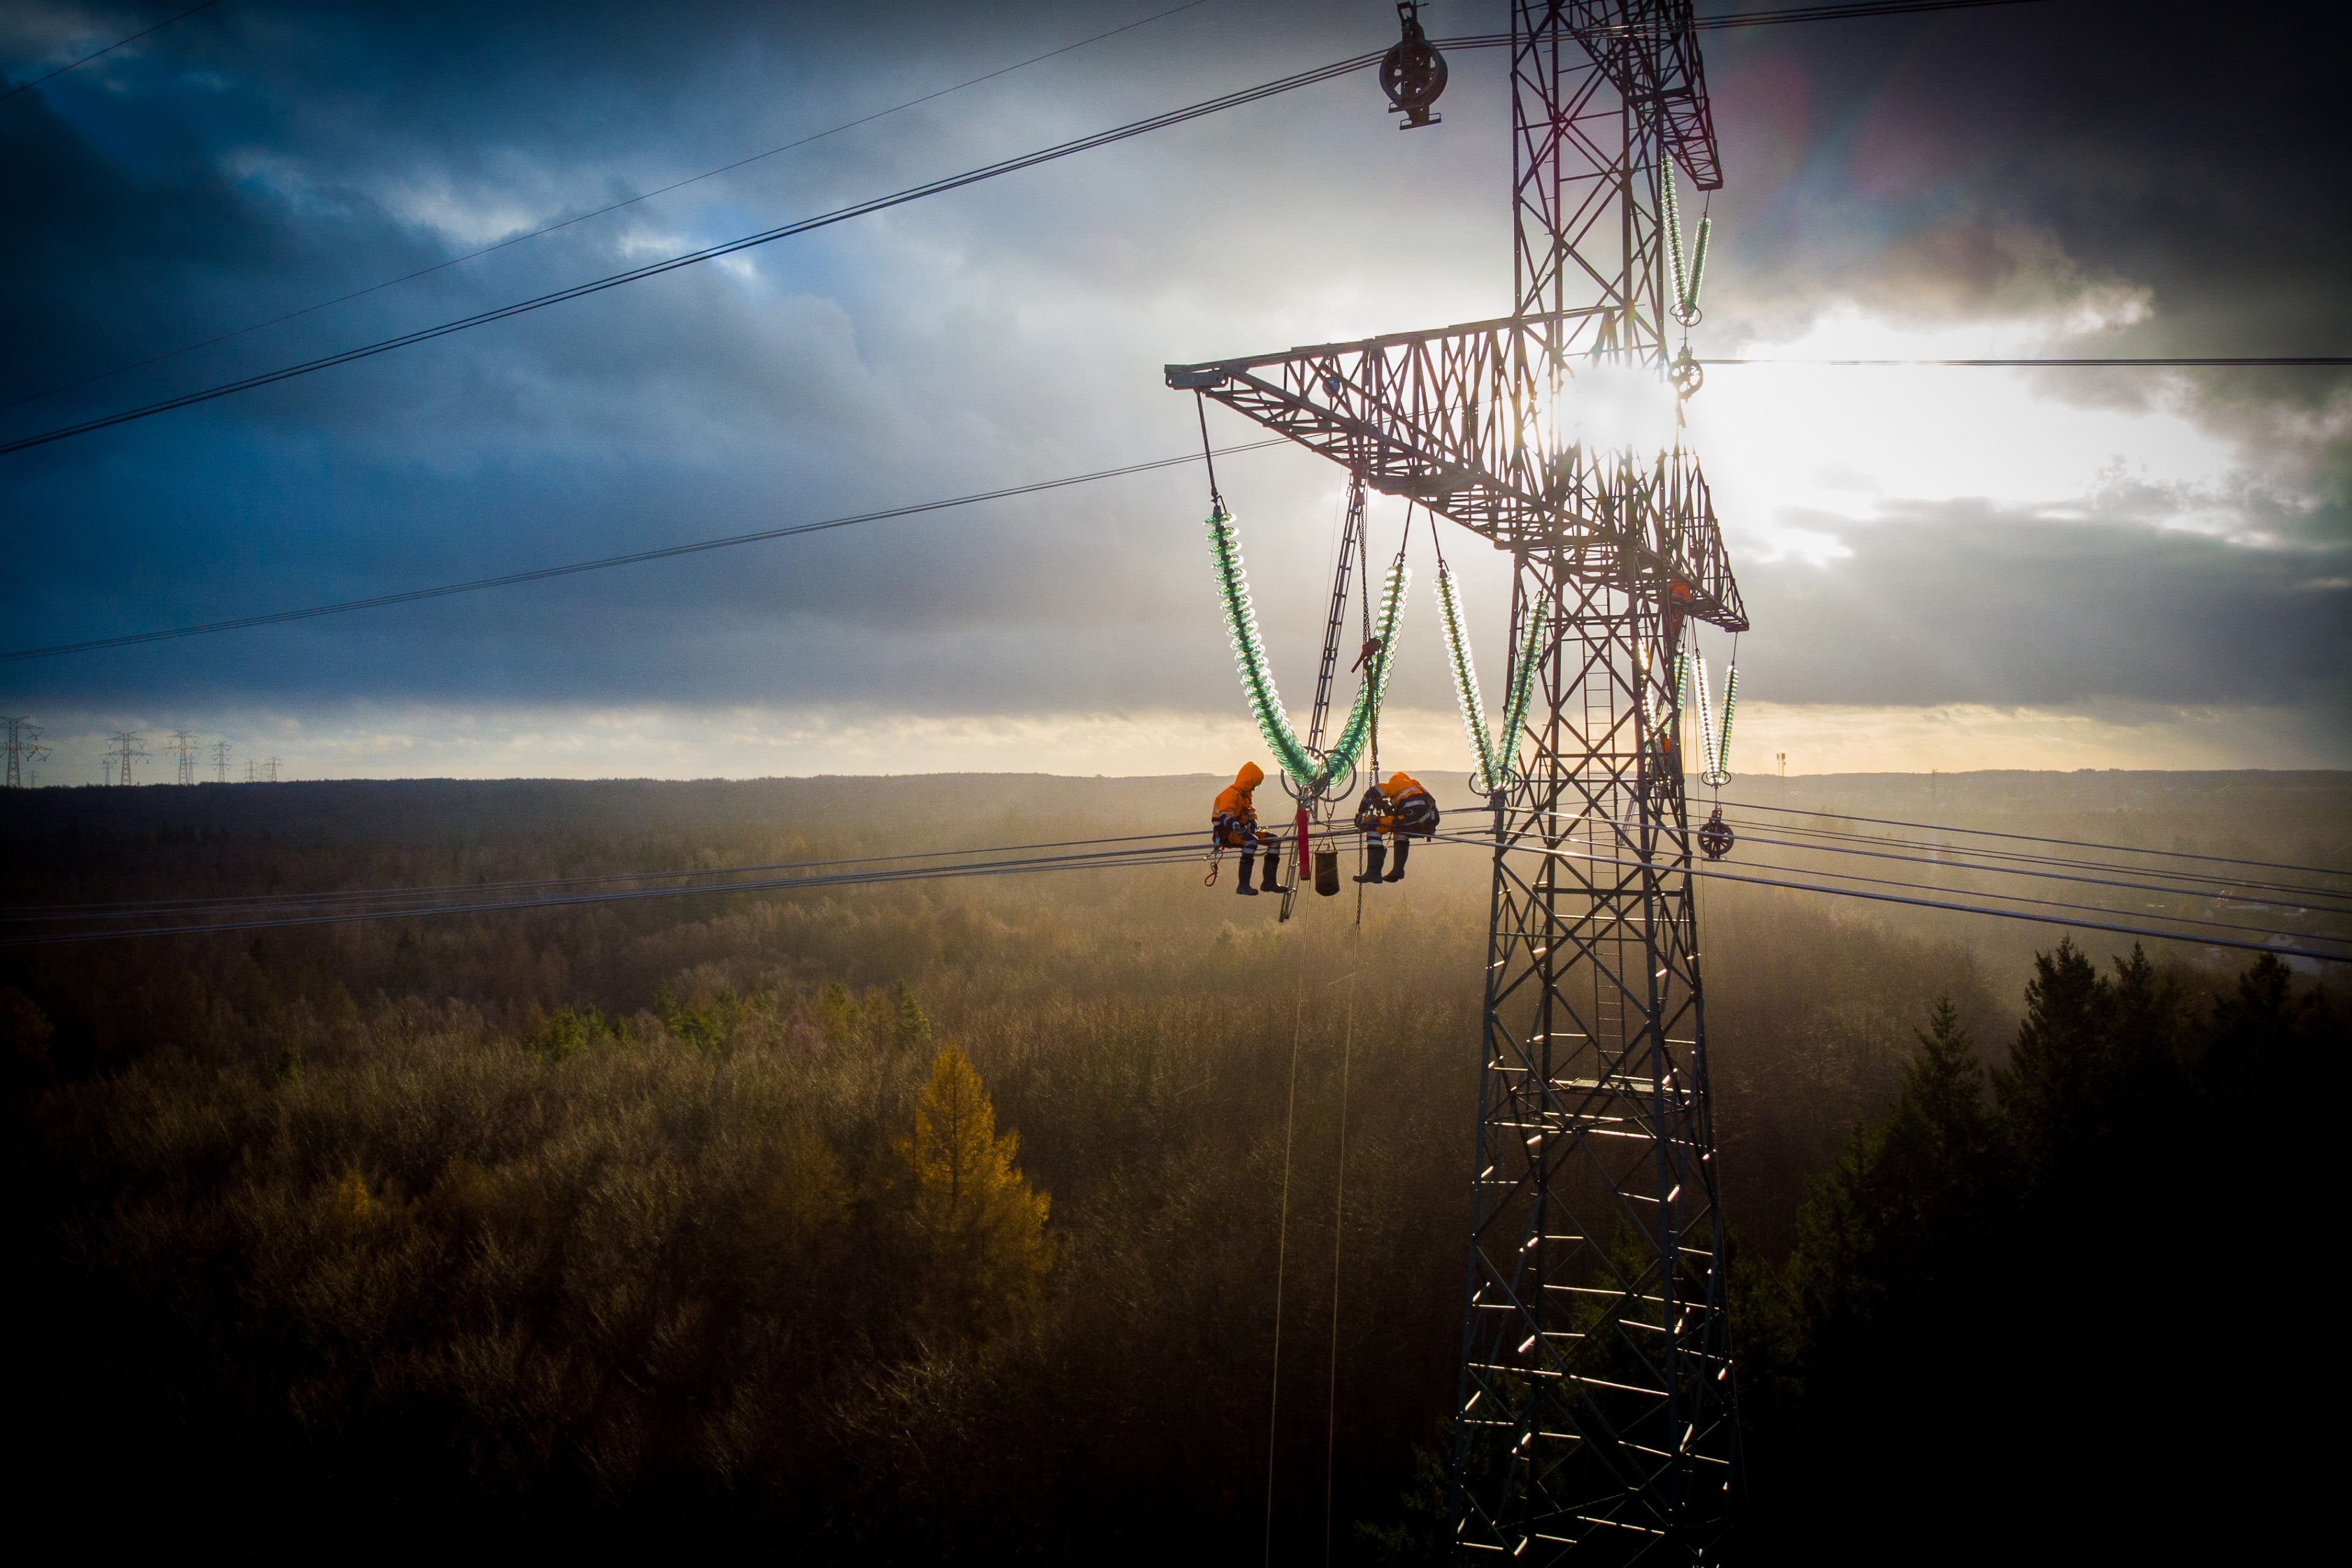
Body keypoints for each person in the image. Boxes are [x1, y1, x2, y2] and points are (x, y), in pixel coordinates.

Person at [1352, 769, 1439, 883]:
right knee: (1400, 831)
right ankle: (1398, 870)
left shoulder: (1398, 783)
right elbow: (1398, 817)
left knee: (1374, 827)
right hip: (1426, 823)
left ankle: (1373, 873)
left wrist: (1360, 813)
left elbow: (1372, 793)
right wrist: (1385, 807)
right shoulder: (1417, 788)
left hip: (1412, 818)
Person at [1212, 761, 1284, 895]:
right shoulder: (1231, 795)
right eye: (1254, 785)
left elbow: (1251, 812)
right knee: (1251, 842)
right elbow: (1224, 815)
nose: (1255, 788)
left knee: (1275, 840)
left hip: (1242, 831)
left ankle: (1269, 883)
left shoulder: (1245, 796)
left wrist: (1252, 822)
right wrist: (1234, 824)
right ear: (1248, 782)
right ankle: (1243, 886)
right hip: (1226, 833)